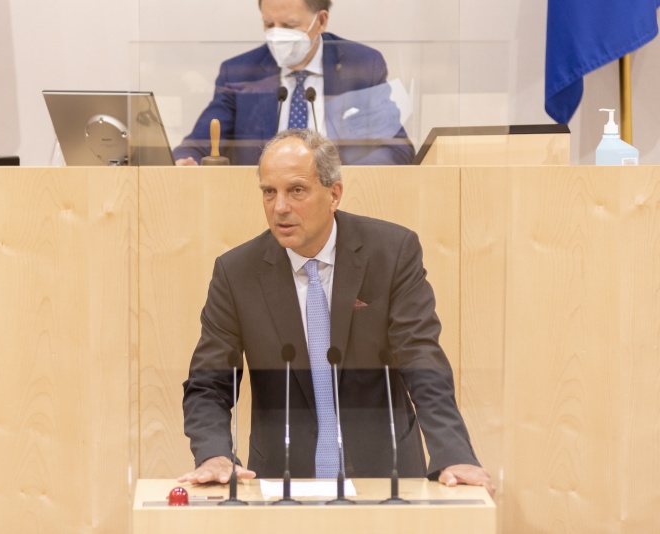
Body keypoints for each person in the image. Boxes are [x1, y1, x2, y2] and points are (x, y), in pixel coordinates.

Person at [179, 128, 493, 496]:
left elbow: (422, 359)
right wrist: (214, 453)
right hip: (283, 484)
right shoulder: (237, 273)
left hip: (385, 478)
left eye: (296, 190)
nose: (280, 207)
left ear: (334, 194)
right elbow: (209, 383)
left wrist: (453, 453)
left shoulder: (391, 253)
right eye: (269, 192)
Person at [173, 0, 414, 167]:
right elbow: (198, 144)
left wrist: (347, 180)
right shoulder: (239, 72)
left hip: (340, 202)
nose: (276, 35)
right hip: (258, 204)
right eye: (269, 25)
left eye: (289, 26)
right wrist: (185, 162)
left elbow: (395, 148)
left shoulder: (361, 64)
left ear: (321, 21)